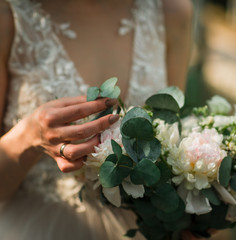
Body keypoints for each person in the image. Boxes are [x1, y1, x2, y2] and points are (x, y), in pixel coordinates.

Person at [0, 0, 192, 239]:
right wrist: (28, 137)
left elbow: (175, 145)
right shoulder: (8, 16)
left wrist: (198, 215)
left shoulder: (171, 12)